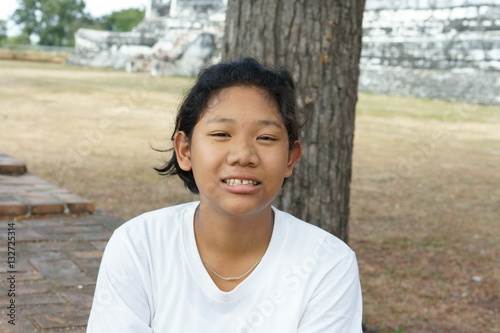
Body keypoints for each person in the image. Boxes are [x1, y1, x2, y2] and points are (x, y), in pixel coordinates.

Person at [87, 57, 362, 332]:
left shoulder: (327, 263)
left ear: (290, 158)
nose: (243, 155)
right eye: (221, 133)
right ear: (185, 151)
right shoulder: (139, 246)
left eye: (265, 137)